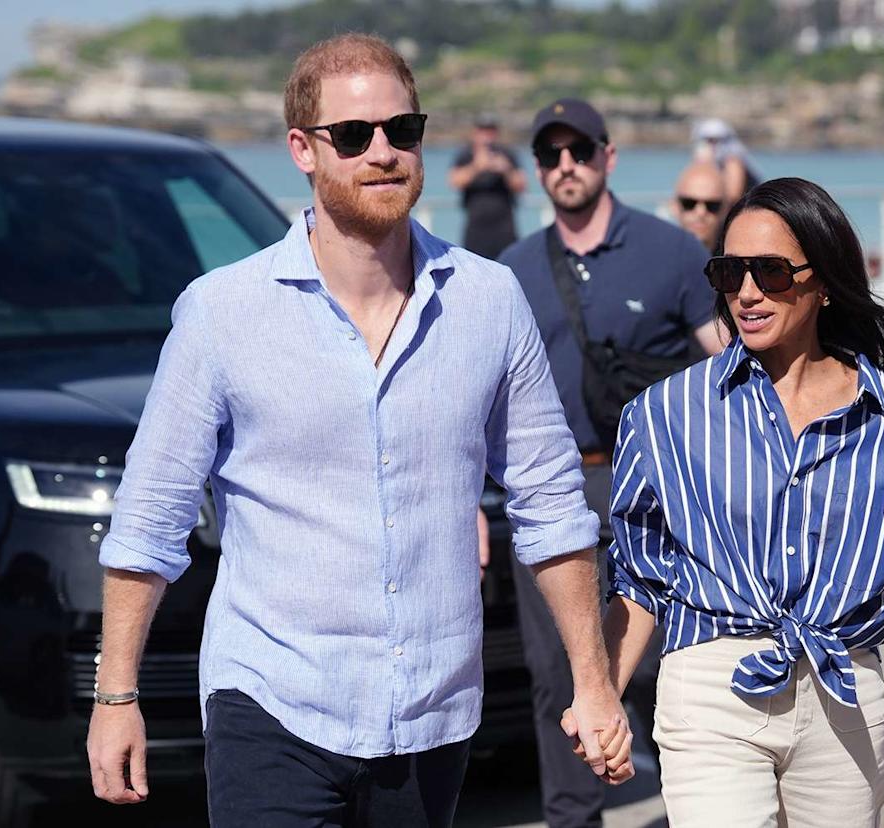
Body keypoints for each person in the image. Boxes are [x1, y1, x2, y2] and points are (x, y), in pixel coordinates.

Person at [85, 34, 633, 828]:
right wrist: (116, 696)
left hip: (431, 715)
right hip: (271, 701)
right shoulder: (222, 313)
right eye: (353, 136)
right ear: (302, 150)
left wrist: (592, 679)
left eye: (401, 131)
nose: (382, 152)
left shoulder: (489, 301)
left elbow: (551, 504)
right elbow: (151, 517)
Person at [562, 177, 884, 822]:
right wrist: (600, 695)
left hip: (845, 692)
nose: (745, 292)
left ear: (821, 280)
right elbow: (641, 580)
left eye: (768, 271)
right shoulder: (665, 414)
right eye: (728, 272)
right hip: (710, 688)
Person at [499, 97, 722, 828]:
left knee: (666, 661)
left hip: (657, 487)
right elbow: (481, 397)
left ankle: (703, 804)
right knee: (556, 673)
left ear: (608, 157)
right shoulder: (512, 272)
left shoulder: (674, 252)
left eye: (580, 150)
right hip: (550, 491)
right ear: (538, 172)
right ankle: (575, 819)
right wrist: (474, 500)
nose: (567, 165)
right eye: (551, 155)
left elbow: (729, 362)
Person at [448, 112, 526, 259]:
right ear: (475, 133)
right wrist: (477, 167)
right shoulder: (466, 155)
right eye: (483, 131)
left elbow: (521, 185)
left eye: (490, 131)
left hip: (505, 229)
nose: (487, 136)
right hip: (476, 229)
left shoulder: (507, 154)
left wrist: (506, 170)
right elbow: (454, 181)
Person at [692, 117, 762, 208]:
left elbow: (732, 196)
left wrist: (707, 166)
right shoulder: (707, 160)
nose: (712, 145)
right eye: (708, 140)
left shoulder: (733, 160)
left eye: (715, 140)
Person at [671, 160, 727, 251]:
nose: (701, 212)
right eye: (689, 203)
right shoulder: (657, 257)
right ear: (675, 206)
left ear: (725, 209)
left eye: (712, 206)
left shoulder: (736, 261)